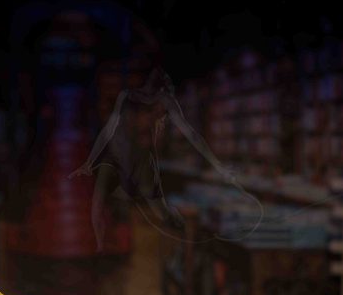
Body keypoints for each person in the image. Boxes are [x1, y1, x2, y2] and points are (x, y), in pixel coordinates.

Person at [68, 68, 239, 245]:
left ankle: (141, 235)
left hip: (135, 165)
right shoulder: (128, 102)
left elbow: (192, 135)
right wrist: (90, 162)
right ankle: (115, 240)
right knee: (117, 205)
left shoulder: (155, 111)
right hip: (119, 162)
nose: (161, 114)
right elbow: (108, 134)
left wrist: (216, 163)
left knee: (147, 202)